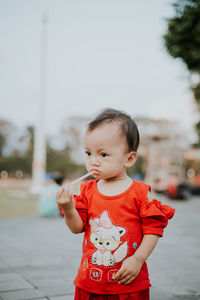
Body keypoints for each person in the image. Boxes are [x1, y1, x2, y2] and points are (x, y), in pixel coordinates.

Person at [56, 108, 175, 300]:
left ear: (129, 159)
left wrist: (138, 259)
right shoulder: (87, 191)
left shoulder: (139, 192)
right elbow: (77, 228)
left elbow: (153, 229)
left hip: (128, 286)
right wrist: (68, 208)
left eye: (103, 155)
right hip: (90, 283)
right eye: (88, 153)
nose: (93, 161)